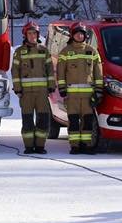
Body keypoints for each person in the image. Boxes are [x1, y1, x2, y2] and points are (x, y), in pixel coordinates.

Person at [55, 24, 103, 155]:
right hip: (72, 96)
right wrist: (62, 88)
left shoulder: (92, 51)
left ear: (85, 35)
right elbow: (60, 72)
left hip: (88, 96)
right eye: (77, 34)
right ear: (72, 35)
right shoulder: (65, 52)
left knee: (87, 121)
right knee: (74, 121)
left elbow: (98, 72)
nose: (79, 36)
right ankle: (75, 146)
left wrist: (98, 90)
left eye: (82, 33)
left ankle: (86, 146)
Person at [12, 21, 55, 154]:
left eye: (34, 33)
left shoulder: (44, 51)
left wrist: (51, 86)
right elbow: (15, 72)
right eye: (29, 33)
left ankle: (40, 146)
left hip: (42, 93)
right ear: (25, 35)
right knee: (27, 120)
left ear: (38, 34)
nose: (32, 36)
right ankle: (29, 146)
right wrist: (18, 89)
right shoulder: (19, 52)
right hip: (26, 94)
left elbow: (50, 70)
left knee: (43, 119)